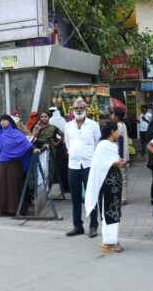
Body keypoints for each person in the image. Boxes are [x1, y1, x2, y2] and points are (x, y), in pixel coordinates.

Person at [85, 121, 126, 254]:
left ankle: (113, 240)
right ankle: (108, 242)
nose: (118, 133)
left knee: (115, 212)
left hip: (114, 184)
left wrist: (119, 162)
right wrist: (115, 163)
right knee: (109, 211)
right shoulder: (103, 145)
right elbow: (101, 164)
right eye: (117, 130)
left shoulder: (112, 145)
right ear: (112, 131)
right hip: (107, 184)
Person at [65, 97, 101, 237]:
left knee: (90, 196)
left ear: (86, 109)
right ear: (73, 110)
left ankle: (93, 226)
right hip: (73, 165)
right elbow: (68, 144)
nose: (78, 110)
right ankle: (77, 226)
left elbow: (97, 142)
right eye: (76, 108)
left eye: (81, 108)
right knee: (75, 198)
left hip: (88, 164)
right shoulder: (68, 126)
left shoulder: (93, 125)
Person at [0, 114, 36, 216]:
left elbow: (26, 144)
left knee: (14, 186)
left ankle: (16, 209)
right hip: (2, 164)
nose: (2, 122)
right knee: (2, 186)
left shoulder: (17, 133)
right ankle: (2, 210)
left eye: (5, 120)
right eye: (1, 120)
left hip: (14, 164)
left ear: (10, 122)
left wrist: (34, 149)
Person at [31, 111, 65, 192]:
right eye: (42, 117)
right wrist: (38, 129)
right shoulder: (36, 127)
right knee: (37, 170)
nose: (44, 118)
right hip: (38, 149)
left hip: (50, 150)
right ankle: (35, 190)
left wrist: (56, 143)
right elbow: (32, 139)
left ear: (49, 117)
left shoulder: (53, 127)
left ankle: (47, 190)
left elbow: (63, 135)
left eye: (45, 117)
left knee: (49, 169)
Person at [112, 108, 130, 204]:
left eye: (113, 115)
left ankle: (122, 198)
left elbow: (120, 141)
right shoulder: (123, 124)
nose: (111, 116)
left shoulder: (118, 126)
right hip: (123, 155)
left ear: (117, 117)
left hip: (120, 155)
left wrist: (120, 157)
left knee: (121, 176)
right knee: (124, 176)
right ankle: (123, 197)